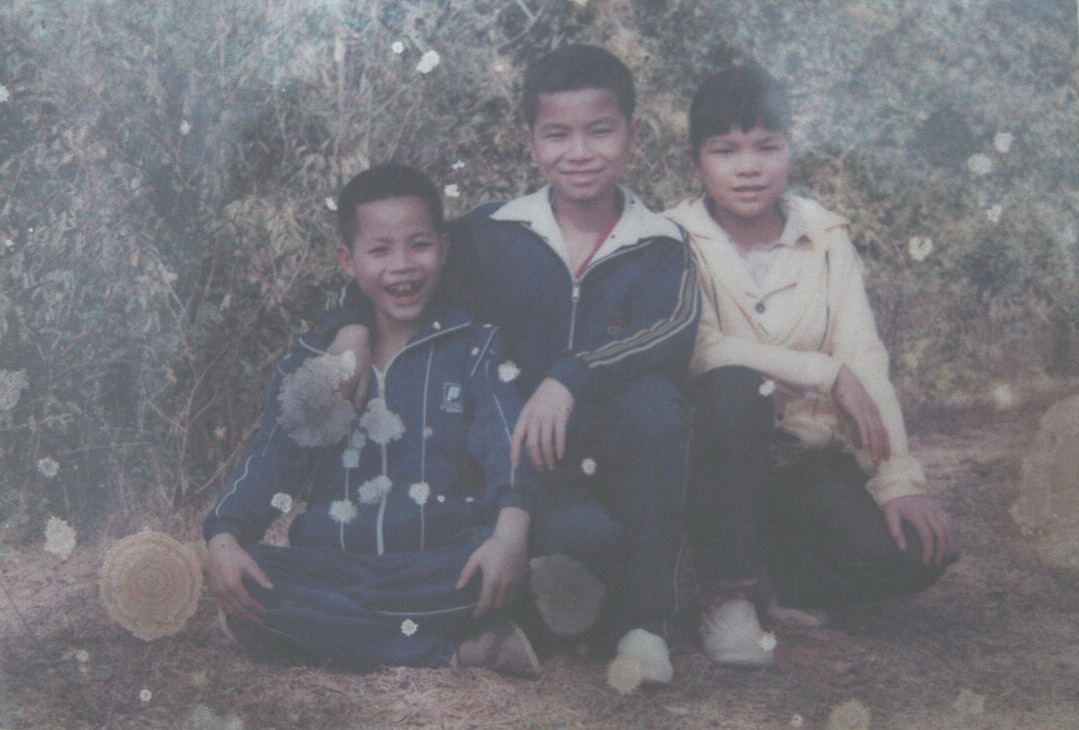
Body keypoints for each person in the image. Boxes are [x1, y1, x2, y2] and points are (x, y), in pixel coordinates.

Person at [324, 45, 700, 689]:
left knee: (657, 405)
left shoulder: (660, 244)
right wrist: (352, 326)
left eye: (600, 131)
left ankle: (643, 625)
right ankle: (532, 604)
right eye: (557, 134)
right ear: (530, 140)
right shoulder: (489, 232)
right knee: (561, 549)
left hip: (608, 469)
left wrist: (569, 376)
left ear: (633, 135)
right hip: (503, 474)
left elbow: (671, 331)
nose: (579, 152)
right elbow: (396, 273)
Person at [664, 64, 956, 668]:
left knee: (913, 554)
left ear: (792, 152)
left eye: (766, 147)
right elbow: (693, 347)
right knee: (733, 386)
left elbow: (863, 356)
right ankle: (725, 593)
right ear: (696, 163)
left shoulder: (824, 235)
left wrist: (899, 480)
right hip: (712, 466)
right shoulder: (670, 237)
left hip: (800, 462)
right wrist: (823, 373)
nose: (749, 167)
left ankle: (776, 580)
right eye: (726, 150)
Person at [203, 163, 543, 676]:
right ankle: (455, 652)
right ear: (348, 260)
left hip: (437, 565)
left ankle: (321, 630)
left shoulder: (474, 348)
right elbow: (271, 457)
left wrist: (511, 535)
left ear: (444, 248)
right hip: (335, 565)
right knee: (252, 580)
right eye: (379, 250)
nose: (402, 266)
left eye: (419, 245)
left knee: (497, 566)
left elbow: (508, 444)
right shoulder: (315, 364)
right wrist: (224, 536)